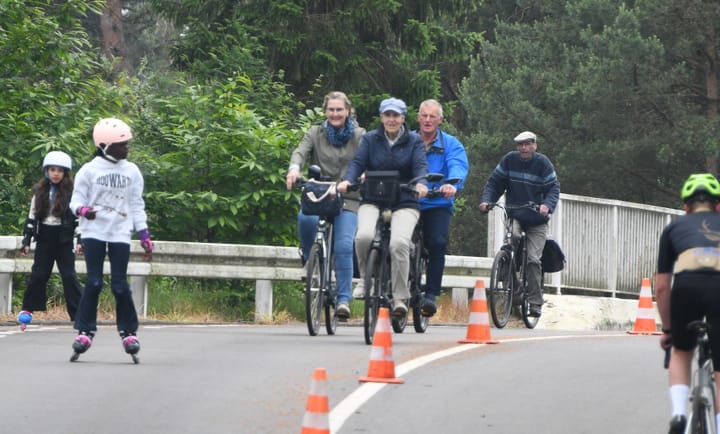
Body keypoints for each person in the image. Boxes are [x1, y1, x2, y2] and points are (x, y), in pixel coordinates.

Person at [68, 117, 153, 359]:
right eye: (122, 144)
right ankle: (85, 331)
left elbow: (137, 205)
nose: (126, 148)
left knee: (119, 284)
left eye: (127, 144)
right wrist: (83, 211)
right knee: (93, 282)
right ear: (105, 145)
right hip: (93, 231)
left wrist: (144, 234)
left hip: (120, 232)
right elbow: (75, 202)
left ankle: (129, 333)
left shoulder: (132, 171)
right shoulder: (89, 170)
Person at [337, 97, 428, 318]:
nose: (391, 120)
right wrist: (348, 180)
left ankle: (399, 296)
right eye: (387, 115)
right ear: (382, 118)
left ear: (403, 118)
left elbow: (420, 165)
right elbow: (358, 163)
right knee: (363, 237)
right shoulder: (370, 139)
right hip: (373, 198)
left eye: (396, 115)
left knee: (399, 243)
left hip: (405, 200)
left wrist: (422, 183)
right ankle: (366, 280)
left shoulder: (414, 141)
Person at [285, 91, 366, 319]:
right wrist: (294, 169)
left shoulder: (360, 136)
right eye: (331, 109)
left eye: (339, 109)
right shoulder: (315, 133)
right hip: (320, 194)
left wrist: (364, 175)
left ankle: (343, 299)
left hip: (348, 198)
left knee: (343, 245)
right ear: (325, 111)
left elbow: (368, 157)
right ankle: (310, 260)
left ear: (347, 111)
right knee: (305, 219)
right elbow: (300, 152)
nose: (335, 113)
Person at [656, 173, 720, 434]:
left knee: (682, 353)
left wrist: (669, 331)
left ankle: (680, 414)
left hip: (685, 288)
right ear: (718, 205)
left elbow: (661, 287)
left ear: (685, 207)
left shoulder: (673, 228)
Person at [478, 131, 560, 317]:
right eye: (520, 144)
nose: (523, 147)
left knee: (532, 259)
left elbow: (553, 188)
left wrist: (547, 205)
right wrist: (486, 201)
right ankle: (511, 282)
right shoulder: (509, 160)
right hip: (515, 213)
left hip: (537, 220)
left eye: (527, 144)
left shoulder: (543, 163)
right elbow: (494, 183)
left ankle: (535, 302)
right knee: (512, 240)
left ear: (534, 146)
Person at [17, 151, 83, 330]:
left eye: (60, 171)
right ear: (47, 171)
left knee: (69, 275)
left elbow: (77, 219)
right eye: (52, 170)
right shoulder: (39, 192)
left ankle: (78, 314)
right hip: (45, 236)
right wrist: (26, 241)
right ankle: (27, 310)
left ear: (65, 173)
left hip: (64, 238)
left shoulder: (71, 193)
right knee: (39, 274)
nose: (56, 174)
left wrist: (80, 240)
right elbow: (31, 217)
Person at [415, 99, 469, 317]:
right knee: (394, 241)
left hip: (437, 201)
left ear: (440, 120)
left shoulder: (451, 144)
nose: (428, 120)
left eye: (432, 116)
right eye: (424, 116)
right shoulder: (408, 141)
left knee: (437, 242)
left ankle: (431, 295)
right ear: (418, 117)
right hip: (409, 201)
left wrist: (452, 184)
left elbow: (458, 165)